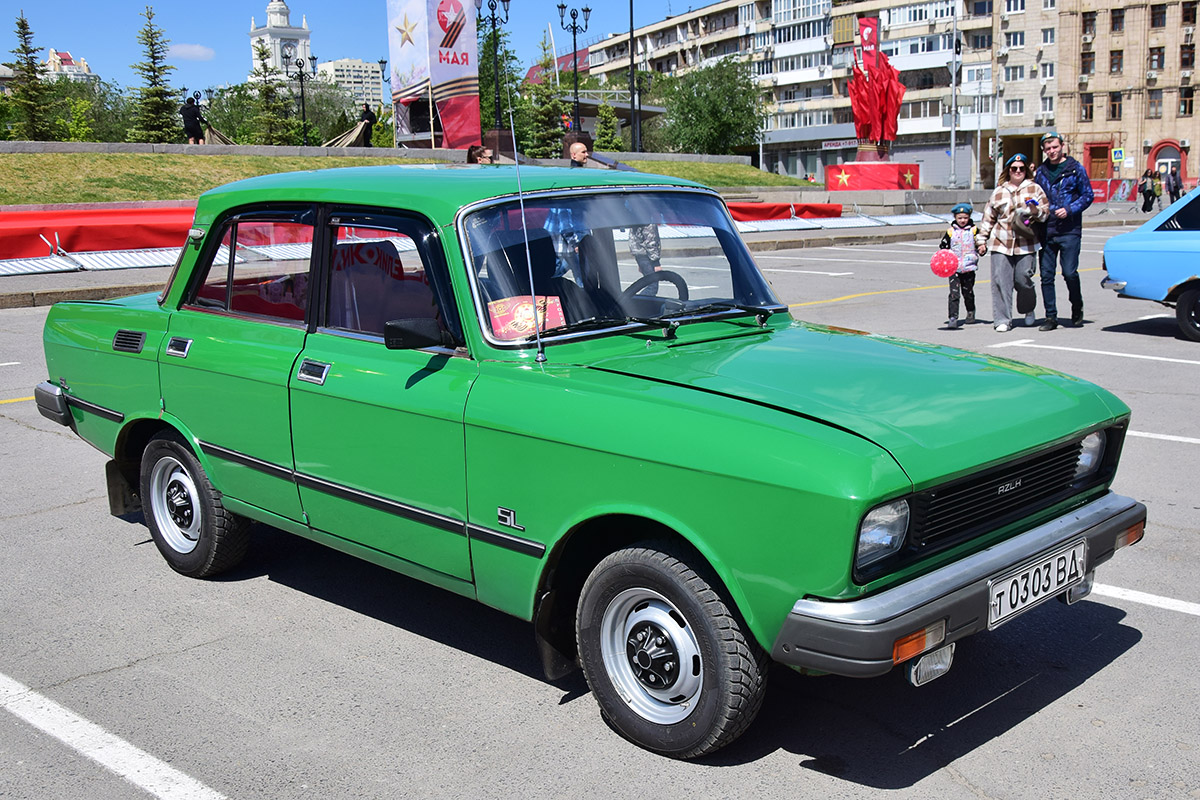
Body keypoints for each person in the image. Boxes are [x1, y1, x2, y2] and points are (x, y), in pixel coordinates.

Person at [976, 153, 1049, 333]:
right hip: (1001, 242)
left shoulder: (1035, 189)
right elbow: (988, 217)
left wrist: (1035, 210)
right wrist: (981, 239)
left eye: (1021, 169)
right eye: (1014, 169)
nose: (1017, 171)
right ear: (1008, 171)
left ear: (1026, 170)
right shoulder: (999, 191)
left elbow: (1045, 213)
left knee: (1023, 278)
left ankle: (1027, 308)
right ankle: (1002, 319)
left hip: (1027, 243)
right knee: (1000, 281)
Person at [1033, 131, 1095, 330]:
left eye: (1055, 147)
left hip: (1069, 229)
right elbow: (1036, 195)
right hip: (1046, 230)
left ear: (1062, 146)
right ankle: (1050, 317)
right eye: (1048, 148)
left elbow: (1087, 195)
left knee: (1069, 273)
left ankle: (1077, 307)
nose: (1052, 151)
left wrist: (1069, 210)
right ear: (1044, 150)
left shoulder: (1076, 169)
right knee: (1046, 275)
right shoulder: (1041, 172)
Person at [938, 202, 979, 329]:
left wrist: (982, 248)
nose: (962, 220)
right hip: (954, 268)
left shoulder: (974, 230)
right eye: (960, 218)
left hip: (969, 267)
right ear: (955, 217)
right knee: (954, 293)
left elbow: (980, 243)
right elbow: (943, 246)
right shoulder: (950, 232)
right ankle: (953, 317)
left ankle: (970, 311)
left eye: (965, 218)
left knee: (968, 292)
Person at [627, 223, 662, 296]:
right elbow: (650, 243)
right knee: (652, 285)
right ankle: (640, 305)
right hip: (646, 256)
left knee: (649, 283)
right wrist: (656, 263)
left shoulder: (637, 219)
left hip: (640, 255)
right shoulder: (648, 222)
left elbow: (634, 238)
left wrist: (640, 262)